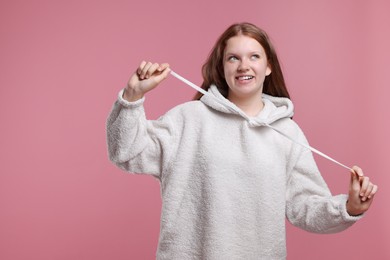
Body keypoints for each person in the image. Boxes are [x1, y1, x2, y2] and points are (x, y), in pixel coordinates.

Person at [106, 22, 378, 260]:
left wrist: (348, 207)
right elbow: (127, 152)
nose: (243, 66)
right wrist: (132, 97)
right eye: (233, 58)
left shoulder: (287, 133)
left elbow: (304, 206)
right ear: (222, 67)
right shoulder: (188, 119)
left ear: (268, 66)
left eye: (254, 56)